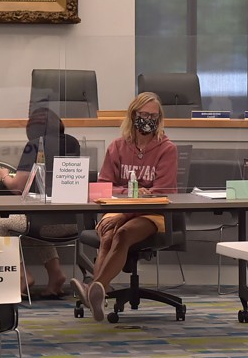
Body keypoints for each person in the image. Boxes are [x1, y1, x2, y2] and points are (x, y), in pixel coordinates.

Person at [69, 92, 178, 322]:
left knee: (124, 233)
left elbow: (162, 192)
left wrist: (124, 210)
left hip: (151, 214)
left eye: (153, 115)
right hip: (119, 210)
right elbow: (104, 186)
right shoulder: (117, 147)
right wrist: (130, 195)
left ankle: (93, 290)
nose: (148, 119)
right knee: (108, 236)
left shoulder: (166, 149)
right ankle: (98, 290)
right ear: (133, 115)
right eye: (144, 114)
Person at [0, 108, 81, 299]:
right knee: (31, 224)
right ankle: (56, 274)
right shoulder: (72, 142)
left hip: (46, 224)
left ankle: (22, 276)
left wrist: (3, 175)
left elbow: (17, 187)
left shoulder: (35, 145)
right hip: (74, 221)